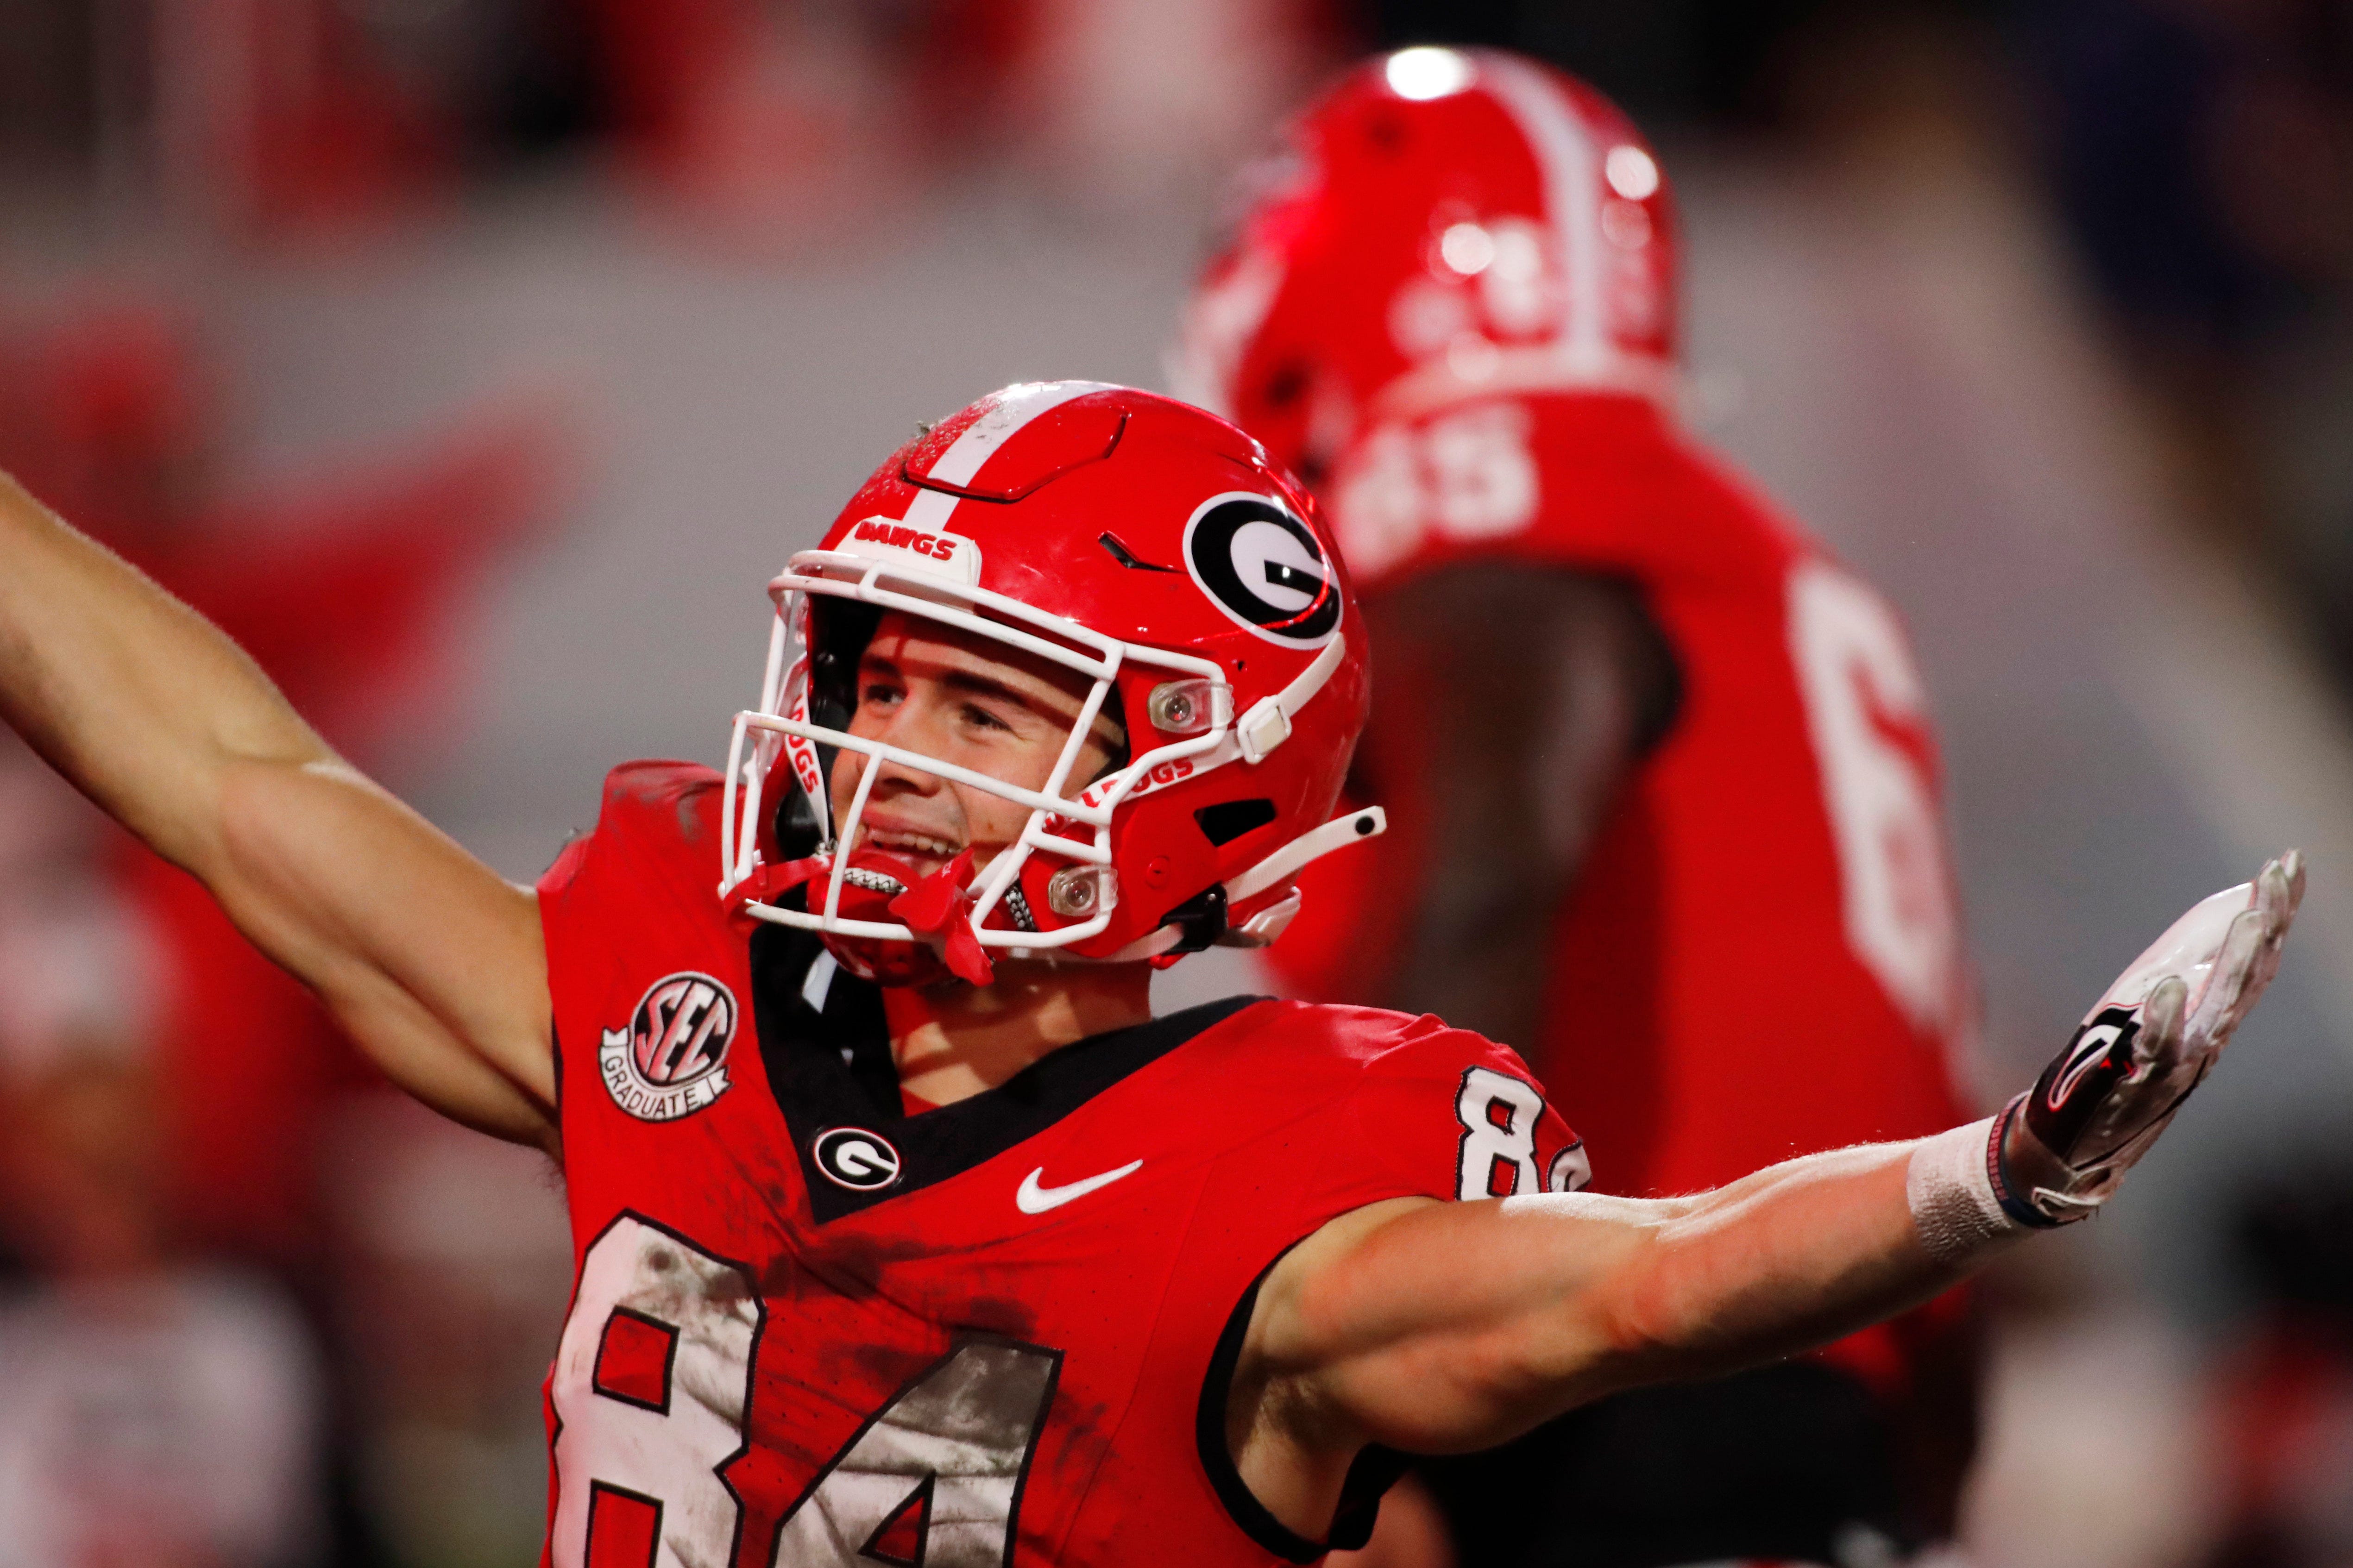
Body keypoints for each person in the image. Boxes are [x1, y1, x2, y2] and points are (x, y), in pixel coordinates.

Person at [0, 377, 2301, 1568]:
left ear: (1200, 780)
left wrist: (1980, 1183)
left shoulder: (1290, 1173)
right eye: (879, 678)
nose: (877, 747)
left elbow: (1638, 1284)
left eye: (975, 707)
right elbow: (234, 779)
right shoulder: (667, 994)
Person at [1170, 48, 1985, 1563]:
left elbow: (1495, 873)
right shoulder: (1774, 577)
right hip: (1825, 1410)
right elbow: (1931, 1114)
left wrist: (1349, 1366)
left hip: (1602, 1396)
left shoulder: (1508, 495)